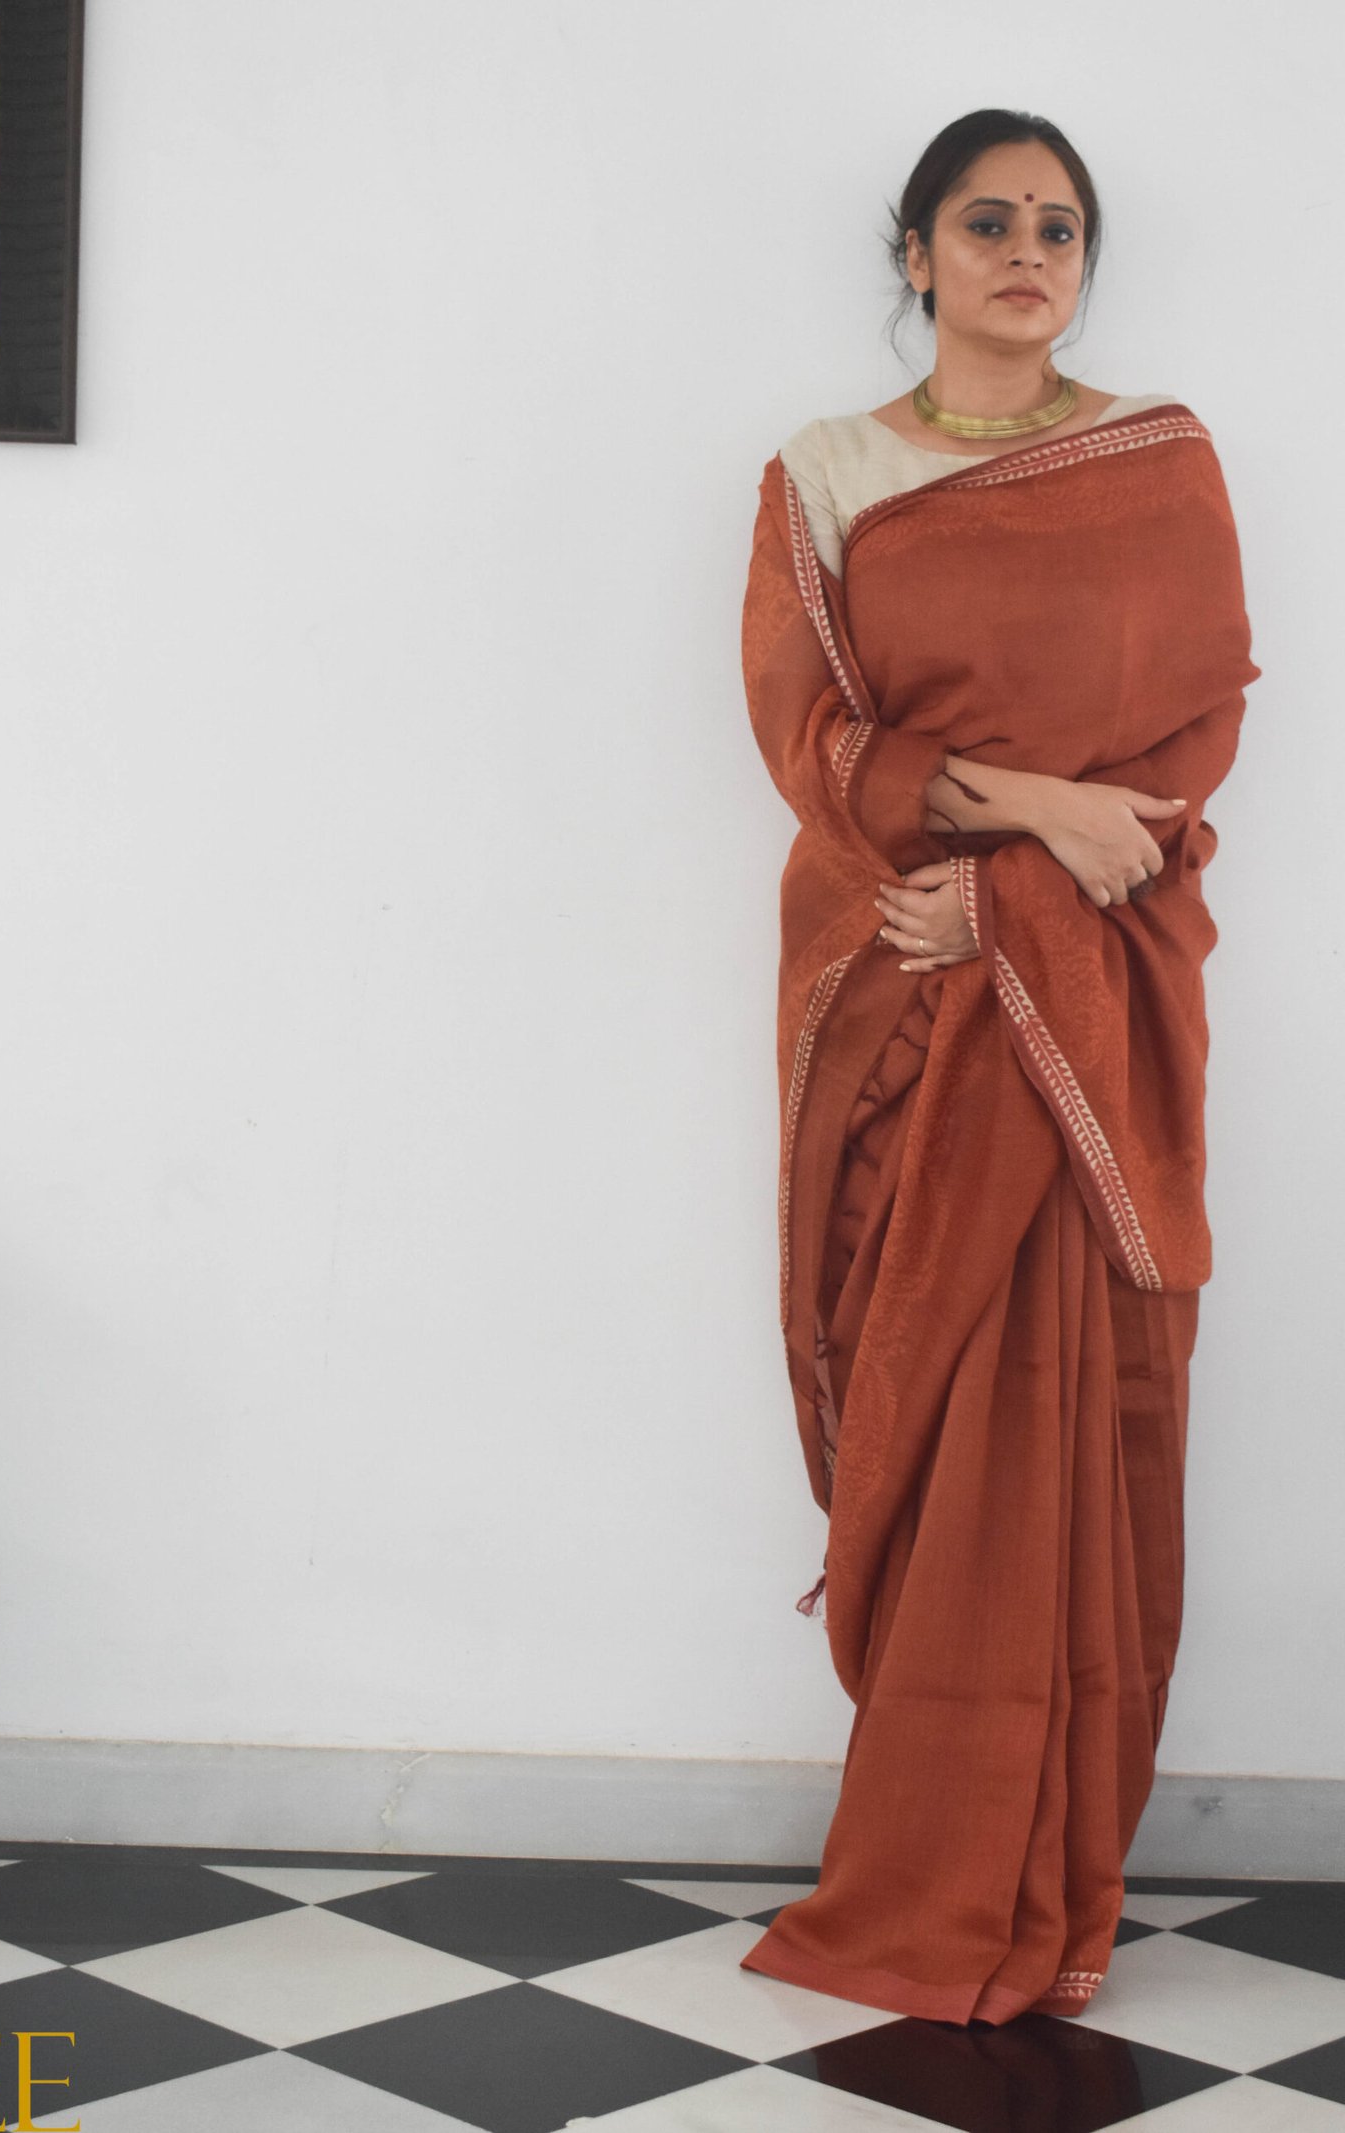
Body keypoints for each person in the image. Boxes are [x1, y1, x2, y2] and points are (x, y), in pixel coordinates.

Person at [735, 108, 1260, 2028]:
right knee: (931, 1404)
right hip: (900, 1004)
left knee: (1076, 1419)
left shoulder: (1161, 462)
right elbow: (812, 739)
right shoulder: (829, 472)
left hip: (1073, 1020)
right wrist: (1021, 829)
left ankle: (1060, 1870)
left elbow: (1184, 752)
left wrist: (1018, 902)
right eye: (987, 223)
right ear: (917, 254)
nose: (1027, 254)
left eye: (1058, 228)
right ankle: (937, 1858)